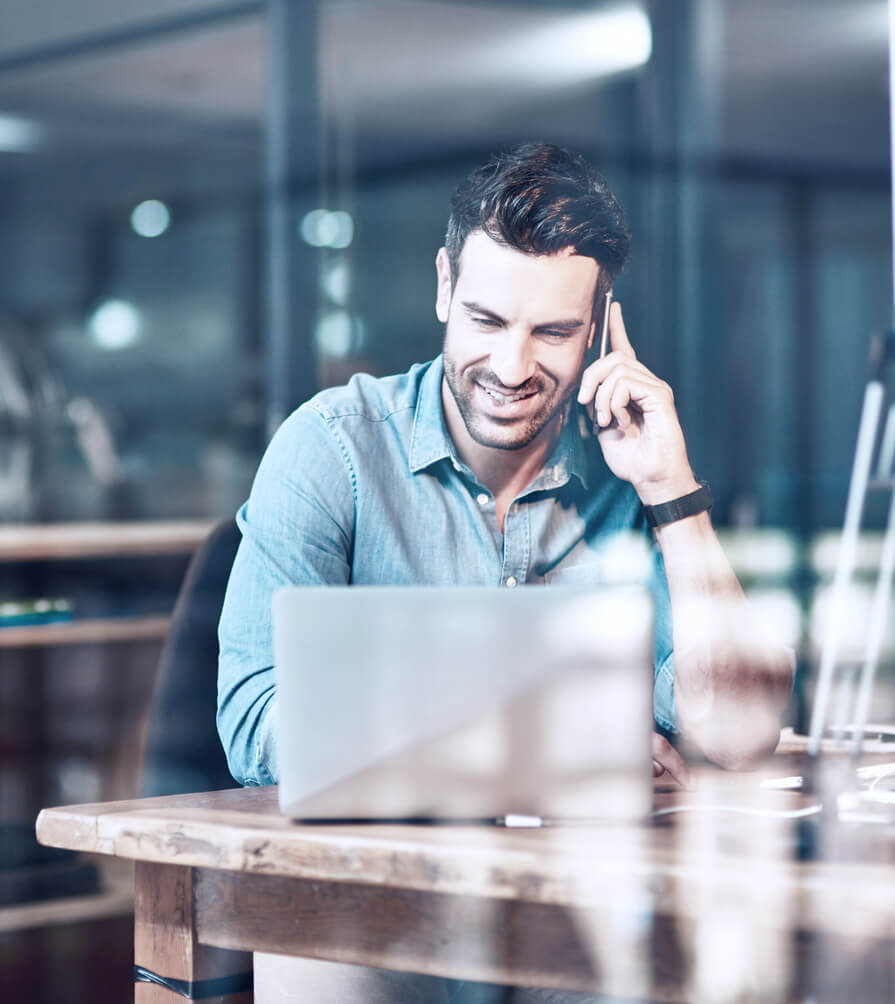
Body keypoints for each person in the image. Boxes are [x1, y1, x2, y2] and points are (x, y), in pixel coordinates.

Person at [216, 142, 793, 1002]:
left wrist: (672, 489)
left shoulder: (625, 476)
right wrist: (545, 739)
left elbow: (739, 730)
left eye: (553, 331)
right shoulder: (331, 448)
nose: (513, 367)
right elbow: (256, 727)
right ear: (445, 285)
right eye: (486, 320)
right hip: (383, 929)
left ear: (598, 328)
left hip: (583, 932)